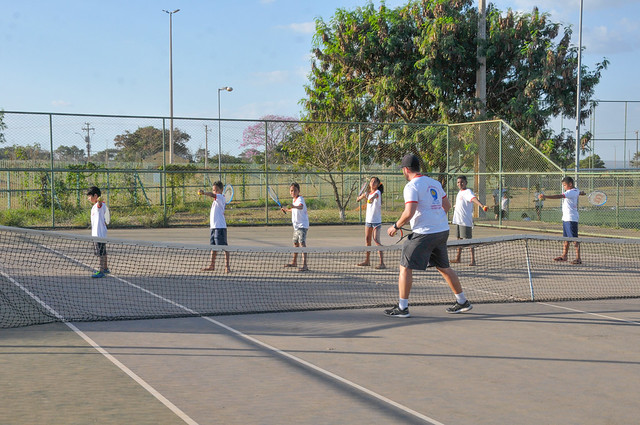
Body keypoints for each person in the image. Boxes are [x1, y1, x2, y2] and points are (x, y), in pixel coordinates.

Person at [385, 154, 472, 318]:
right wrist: (434, 219)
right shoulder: (435, 183)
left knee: (405, 267)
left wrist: (395, 227)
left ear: (405, 169)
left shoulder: (411, 186)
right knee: (444, 267)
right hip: (441, 231)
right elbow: (446, 206)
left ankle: (402, 308)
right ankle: (462, 301)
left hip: (424, 234)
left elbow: (409, 212)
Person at [539, 176, 585, 265]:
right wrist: (582, 193)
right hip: (566, 218)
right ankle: (564, 256)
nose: (564, 187)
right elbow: (579, 192)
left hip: (571, 219)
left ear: (570, 184)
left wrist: (546, 196)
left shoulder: (571, 192)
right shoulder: (575, 191)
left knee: (574, 239)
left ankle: (578, 258)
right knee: (566, 239)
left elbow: (559, 196)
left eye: (564, 185)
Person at [451, 175, 488, 266]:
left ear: (466, 183)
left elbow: (473, 199)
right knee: (459, 239)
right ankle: (458, 258)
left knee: (468, 241)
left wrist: (481, 205)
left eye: (462, 182)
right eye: (458, 182)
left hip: (465, 221)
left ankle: (473, 260)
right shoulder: (460, 192)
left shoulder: (468, 192)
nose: (460, 184)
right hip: (458, 220)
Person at [198, 181, 230, 273]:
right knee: (213, 247)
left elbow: (212, 195)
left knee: (224, 247)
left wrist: (204, 193)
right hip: (213, 227)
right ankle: (212, 265)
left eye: (216, 190)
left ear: (221, 190)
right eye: (213, 190)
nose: (214, 191)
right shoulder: (215, 202)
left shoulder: (221, 197)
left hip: (220, 227)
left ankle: (227, 266)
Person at [355, 176, 386, 269]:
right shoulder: (367, 193)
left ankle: (382, 263)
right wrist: (359, 198)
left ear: (377, 184)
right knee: (367, 241)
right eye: (371, 181)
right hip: (368, 221)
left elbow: (372, 198)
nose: (372, 183)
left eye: (375, 182)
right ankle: (367, 261)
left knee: (376, 241)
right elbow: (362, 197)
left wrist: (368, 198)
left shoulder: (378, 193)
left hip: (376, 221)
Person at [281, 182, 309, 272]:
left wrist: (294, 206)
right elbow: (294, 209)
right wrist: (287, 209)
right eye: (291, 190)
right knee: (295, 244)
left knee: (302, 244)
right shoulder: (294, 200)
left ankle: (305, 265)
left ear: (298, 191)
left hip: (302, 226)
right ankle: (294, 262)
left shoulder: (300, 199)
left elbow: (300, 207)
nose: (293, 192)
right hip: (296, 226)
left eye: (295, 190)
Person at [87, 186, 109, 278]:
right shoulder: (96, 206)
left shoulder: (99, 205)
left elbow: (99, 205)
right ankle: (105, 268)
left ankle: (101, 271)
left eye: (89, 196)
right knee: (103, 252)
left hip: (99, 234)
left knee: (100, 253)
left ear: (95, 196)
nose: (88, 198)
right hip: (100, 234)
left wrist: (99, 201)